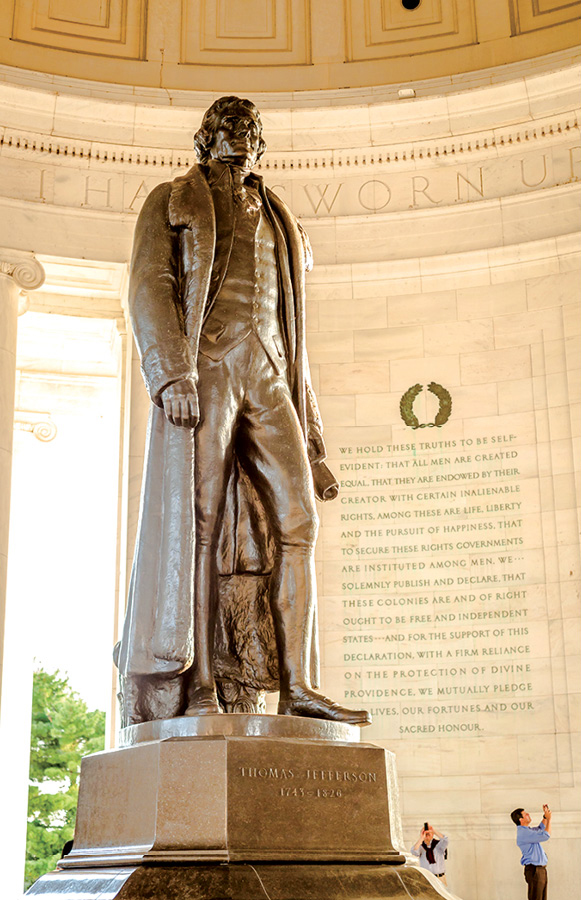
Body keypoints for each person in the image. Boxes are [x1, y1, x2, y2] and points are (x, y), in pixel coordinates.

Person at [115, 95, 370, 727]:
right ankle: (202, 680)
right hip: (207, 368)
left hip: (270, 371)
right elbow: (151, 285)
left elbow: (296, 331)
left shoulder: (281, 217)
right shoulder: (172, 200)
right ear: (205, 140)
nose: (238, 137)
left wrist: (314, 445)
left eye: (248, 129)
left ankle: (299, 684)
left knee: (300, 519)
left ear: (260, 143)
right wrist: (170, 373)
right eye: (225, 127)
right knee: (198, 526)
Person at [511, 804, 551, 900]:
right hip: (535, 870)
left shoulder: (527, 831)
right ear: (521, 820)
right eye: (525, 814)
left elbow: (540, 828)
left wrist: (545, 816)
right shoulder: (524, 833)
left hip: (539, 870)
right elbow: (546, 835)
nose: (528, 814)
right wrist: (549, 820)